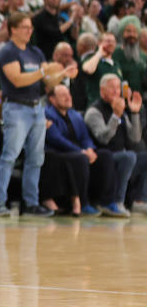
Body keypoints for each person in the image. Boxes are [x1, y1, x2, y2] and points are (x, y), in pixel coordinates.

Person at [0, 12, 77, 217]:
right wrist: (43, 72)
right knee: (10, 156)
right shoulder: (8, 52)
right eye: (25, 27)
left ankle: (30, 203)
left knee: (36, 158)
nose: (30, 31)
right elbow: (18, 80)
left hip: (37, 107)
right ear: (13, 29)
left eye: (31, 27)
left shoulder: (35, 52)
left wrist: (63, 75)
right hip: (17, 108)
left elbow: (46, 83)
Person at [84, 74, 147, 217]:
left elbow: (135, 138)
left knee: (141, 157)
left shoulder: (121, 110)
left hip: (123, 157)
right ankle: (117, 201)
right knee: (129, 156)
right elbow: (103, 138)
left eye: (118, 88)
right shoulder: (94, 111)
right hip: (102, 159)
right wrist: (115, 116)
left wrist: (135, 113)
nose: (116, 91)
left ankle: (140, 200)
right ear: (102, 91)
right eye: (112, 88)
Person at [45, 84, 112, 217]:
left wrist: (89, 149)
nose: (68, 98)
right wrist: (81, 151)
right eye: (63, 95)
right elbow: (56, 139)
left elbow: (85, 137)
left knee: (105, 155)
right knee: (80, 158)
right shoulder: (47, 114)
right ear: (52, 100)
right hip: (59, 153)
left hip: (79, 151)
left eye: (68, 94)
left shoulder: (75, 115)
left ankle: (106, 202)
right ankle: (84, 202)